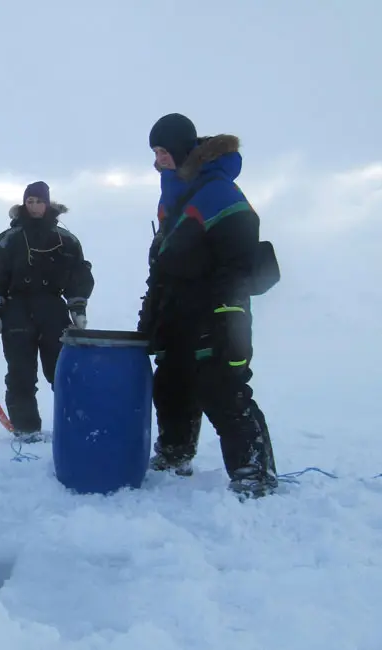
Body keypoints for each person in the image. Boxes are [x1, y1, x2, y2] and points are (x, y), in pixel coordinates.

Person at [137, 113, 281, 498]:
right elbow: (164, 264)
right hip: (177, 310)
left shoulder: (219, 192)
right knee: (171, 384)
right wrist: (152, 312)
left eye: (164, 150)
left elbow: (239, 257)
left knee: (222, 386)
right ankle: (174, 454)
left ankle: (254, 473)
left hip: (216, 310)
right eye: (154, 152)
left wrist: (224, 307)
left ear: (183, 149)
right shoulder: (170, 199)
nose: (158, 160)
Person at [0, 181, 95, 440]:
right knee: (21, 373)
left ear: (48, 204)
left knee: (62, 371)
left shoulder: (65, 240)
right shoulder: (5, 241)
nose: (34, 206)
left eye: (39, 201)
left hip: (53, 309)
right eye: (29, 201)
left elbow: (78, 274)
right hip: (16, 310)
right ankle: (26, 429)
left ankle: (73, 425)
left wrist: (77, 307)